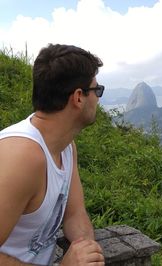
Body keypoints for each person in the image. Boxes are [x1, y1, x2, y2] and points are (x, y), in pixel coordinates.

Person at [0, 44, 105, 265]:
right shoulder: (22, 157)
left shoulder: (65, 146)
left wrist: (86, 249)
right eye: (97, 90)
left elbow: (75, 214)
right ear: (78, 97)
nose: (98, 99)